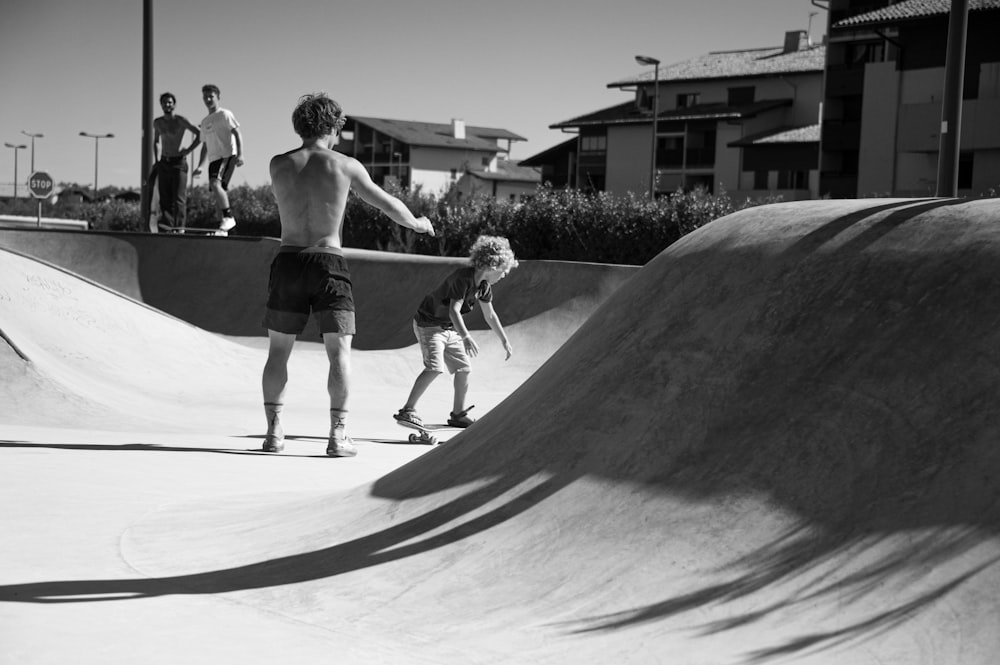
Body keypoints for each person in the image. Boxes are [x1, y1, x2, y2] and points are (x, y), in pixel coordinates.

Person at [262, 92, 435, 456]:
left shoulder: (278, 164)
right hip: (327, 262)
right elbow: (388, 204)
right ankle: (337, 436)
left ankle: (274, 433)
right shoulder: (345, 166)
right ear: (332, 126)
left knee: (278, 352)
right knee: (339, 352)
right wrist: (418, 223)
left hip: (289, 260)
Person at [394, 235, 517, 430]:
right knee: (435, 367)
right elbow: (454, 310)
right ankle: (408, 410)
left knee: (464, 369)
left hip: (449, 328)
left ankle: (458, 415)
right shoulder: (463, 279)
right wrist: (466, 336)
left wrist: (504, 339)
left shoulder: (484, 287)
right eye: (503, 271)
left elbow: (490, 315)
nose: (503, 276)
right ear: (492, 265)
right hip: (429, 325)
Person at [193, 84, 243, 235]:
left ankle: (228, 217)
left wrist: (241, 154)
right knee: (218, 191)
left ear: (218, 97)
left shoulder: (225, 114)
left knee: (216, 184)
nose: (208, 99)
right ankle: (223, 229)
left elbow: (237, 133)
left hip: (227, 155)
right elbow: (204, 146)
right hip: (214, 159)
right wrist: (200, 166)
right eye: (205, 97)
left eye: (211, 96)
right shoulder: (205, 121)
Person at [152, 92, 200, 230]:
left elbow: (199, 134)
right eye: (165, 102)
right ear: (161, 104)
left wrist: (189, 150)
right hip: (164, 162)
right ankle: (166, 226)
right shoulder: (158, 122)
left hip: (178, 163)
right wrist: (157, 159)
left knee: (179, 199)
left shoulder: (181, 121)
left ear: (174, 104)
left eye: (170, 102)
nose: (167, 105)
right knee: (164, 198)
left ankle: (179, 228)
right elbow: (156, 141)